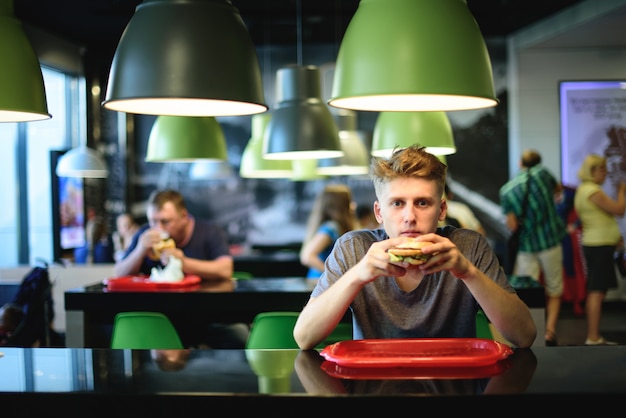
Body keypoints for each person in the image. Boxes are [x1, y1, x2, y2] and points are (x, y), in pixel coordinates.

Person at [293, 145, 537, 350]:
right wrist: (357, 275)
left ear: (442, 210)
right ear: (379, 212)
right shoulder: (353, 248)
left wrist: (468, 273)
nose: (409, 216)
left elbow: (524, 336)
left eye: (422, 203)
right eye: (397, 203)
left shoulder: (468, 246)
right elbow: (304, 338)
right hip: (373, 389)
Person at [115, 189, 247, 348]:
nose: (158, 228)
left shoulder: (209, 232)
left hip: (208, 315)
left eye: (165, 221)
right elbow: (119, 274)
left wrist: (182, 262)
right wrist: (139, 250)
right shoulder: (145, 235)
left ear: (184, 216)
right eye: (153, 221)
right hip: (159, 316)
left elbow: (225, 270)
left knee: (240, 335)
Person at [499, 149, 566, 346]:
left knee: (527, 290)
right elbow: (558, 191)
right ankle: (550, 331)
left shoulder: (507, 190)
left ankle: (532, 331)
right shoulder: (544, 174)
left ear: (520, 163)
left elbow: (511, 225)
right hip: (550, 240)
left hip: (527, 246)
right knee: (554, 287)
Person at [574, 154, 626, 345]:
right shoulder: (592, 191)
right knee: (597, 291)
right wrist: (622, 191)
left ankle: (594, 336)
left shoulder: (584, 189)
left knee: (597, 290)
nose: (605, 173)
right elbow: (619, 209)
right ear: (592, 171)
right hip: (598, 246)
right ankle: (593, 336)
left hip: (597, 244)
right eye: (602, 169)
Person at [299, 184, 358, 279]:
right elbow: (307, 257)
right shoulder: (331, 228)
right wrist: (334, 275)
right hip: (321, 282)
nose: (353, 205)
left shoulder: (334, 227)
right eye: (349, 201)